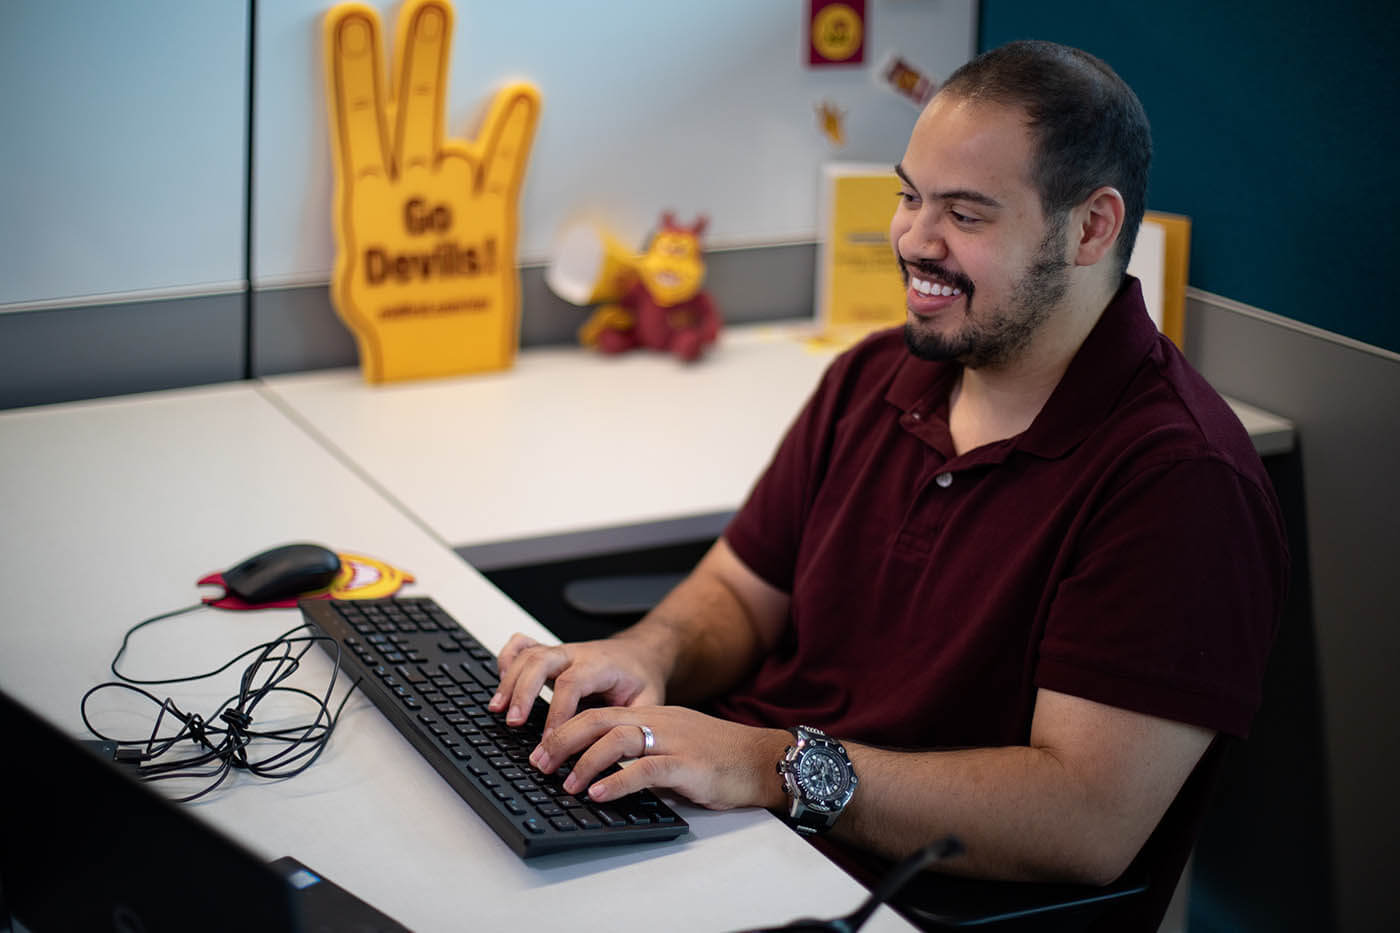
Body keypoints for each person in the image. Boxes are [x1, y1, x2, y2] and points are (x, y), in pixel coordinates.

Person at [491, 40, 1287, 930]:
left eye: (966, 214)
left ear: (1090, 228)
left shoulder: (1179, 482)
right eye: (910, 195)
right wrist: (651, 653)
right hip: (739, 828)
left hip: (885, 900)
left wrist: (769, 763)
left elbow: (1086, 819)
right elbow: (739, 592)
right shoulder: (876, 376)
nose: (912, 238)